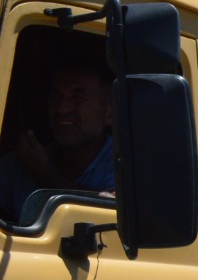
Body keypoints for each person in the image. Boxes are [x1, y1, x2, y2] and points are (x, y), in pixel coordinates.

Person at [0, 63, 116, 223]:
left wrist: (44, 175)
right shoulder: (16, 165)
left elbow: (115, 210)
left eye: (78, 97)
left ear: (110, 114)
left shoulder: (127, 166)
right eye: (55, 96)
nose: (62, 109)